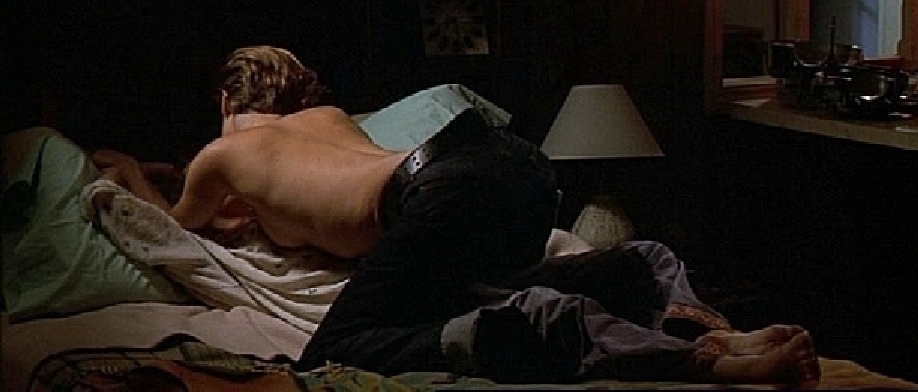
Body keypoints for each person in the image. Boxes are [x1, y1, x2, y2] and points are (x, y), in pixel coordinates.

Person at [97, 45, 820, 387]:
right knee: (624, 259)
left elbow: (176, 226)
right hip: (503, 160)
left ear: (227, 102)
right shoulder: (328, 119)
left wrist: (130, 172)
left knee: (338, 348)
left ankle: (693, 362)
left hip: (441, 194)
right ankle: (708, 329)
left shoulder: (222, 156)